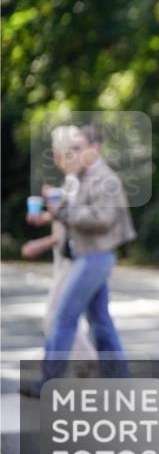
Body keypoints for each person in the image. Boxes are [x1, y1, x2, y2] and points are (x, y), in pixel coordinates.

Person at [22, 125, 136, 396]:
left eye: (78, 148)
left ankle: (50, 383)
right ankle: (120, 383)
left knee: (63, 317)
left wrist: (62, 210)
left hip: (95, 257)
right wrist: (55, 213)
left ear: (94, 148)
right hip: (89, 256)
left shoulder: (104, 179)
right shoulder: (83, 177)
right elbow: (74, 216)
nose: (72, 154)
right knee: (100, 322)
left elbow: (103, 219)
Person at [20, 126, 98, 368]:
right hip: (68, 257)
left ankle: (86, 363)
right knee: (75, 316)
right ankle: (87, 364)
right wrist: (45, 217)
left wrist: (39, 244)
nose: (56, 157)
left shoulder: (77, 181)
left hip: (73, 257)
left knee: (57, 316)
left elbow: (73, 226)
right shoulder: (72, 180)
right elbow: (65, 217)